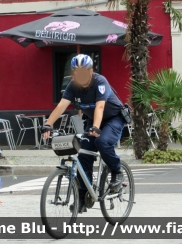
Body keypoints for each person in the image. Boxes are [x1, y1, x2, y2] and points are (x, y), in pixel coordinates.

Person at [40, 54, 126, 213]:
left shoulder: (100, 82)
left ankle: (117, 171)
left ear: (91, 71)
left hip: (113, 119)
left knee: (102, 142)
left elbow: (100, 107)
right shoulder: (73, 85)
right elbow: (61, 106)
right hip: (94, 121)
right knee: (83, 154)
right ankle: (81, 197)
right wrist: (48, 124)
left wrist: (96, 128)